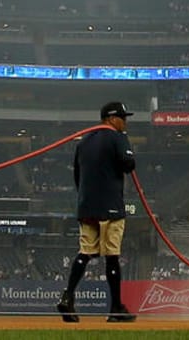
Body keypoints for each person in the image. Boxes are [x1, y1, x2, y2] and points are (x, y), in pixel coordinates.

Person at [58, 101, 138, 323]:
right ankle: (115, 309)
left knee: (85, 252)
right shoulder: (117, 137)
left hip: (86, 206)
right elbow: (128, 164)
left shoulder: (84, 140)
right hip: (111, 205)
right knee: (112, 255)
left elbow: (77, 175)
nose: (125, 122)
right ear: (111, 118)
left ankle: (68, 296)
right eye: (123, 117)